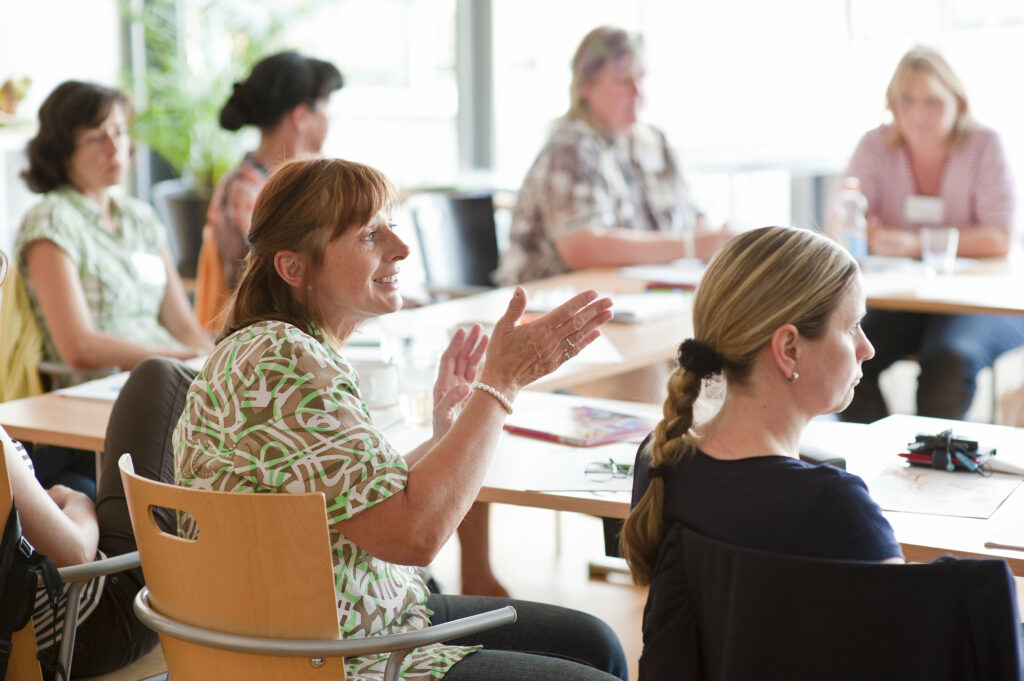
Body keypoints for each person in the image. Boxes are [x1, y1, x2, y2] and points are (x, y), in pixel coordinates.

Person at [172, 157, 626, 681]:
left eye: (391, 225)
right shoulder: (283, 362)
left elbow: (361, 497)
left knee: (594, 642)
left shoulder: (279, 350)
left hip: (359, 623)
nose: (402, 249)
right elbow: (414, 537)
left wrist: (447, 435)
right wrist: (500, 385)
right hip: (334, 658)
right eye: (369, 235)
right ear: (294, 268)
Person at [620, 226, 903, 636]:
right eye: (852, 327)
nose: (867, 348)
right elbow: (914, 648)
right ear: (789, 349)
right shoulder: (835, 507)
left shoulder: (661, 459)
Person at [16, 80, 213, 497]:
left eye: (120, 132)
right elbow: (78, 347)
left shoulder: (139, 217)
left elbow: (183, 324)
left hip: (171, 383)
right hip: (98, 399)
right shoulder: (52, 220)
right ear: (61, 149)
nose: (114, 146)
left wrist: (211, 360)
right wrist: (176, 361)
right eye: (96, 137)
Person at [1, 249, 186, 678]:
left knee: (73, 476)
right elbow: (78, 554)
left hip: (21, 627)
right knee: (160, 377)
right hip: (71, 635)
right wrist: (78, 502)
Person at [838, 46, 1024, 423]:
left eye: (933, 101)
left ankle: (931, 470)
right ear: (892, 103)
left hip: (977, 300)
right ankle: (883, 463)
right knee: (840, 352)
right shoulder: (875, 145)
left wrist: (911, 243)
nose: (919, 113)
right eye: (907, 100)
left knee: (948, 360)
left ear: (957, 101)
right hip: (904, 297)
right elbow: (847, 223)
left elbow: (1000, 237)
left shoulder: (984, 145)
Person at [496, 25, 729, 287]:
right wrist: (690, 246)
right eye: (624, 81)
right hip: (560, 307)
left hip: (646, 294)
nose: (638, 92)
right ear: (586, 86)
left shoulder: (656, 142)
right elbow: (582, 247)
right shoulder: (571, 148)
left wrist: (716, 243)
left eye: (641, 79)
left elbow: (695, 216)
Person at [194, 51, 343, 329]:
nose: (331, 117)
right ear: (301, 117)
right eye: (326, 105)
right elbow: (267, 292)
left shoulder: (288, 185)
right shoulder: (244, 190)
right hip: (257, 346)